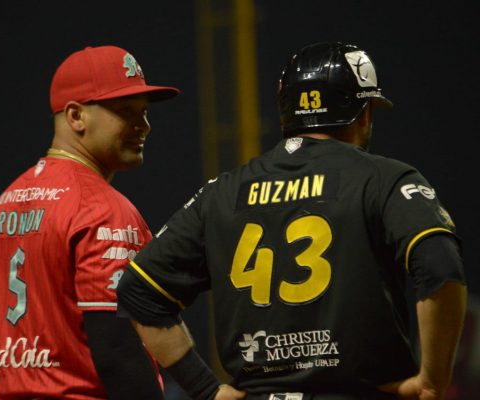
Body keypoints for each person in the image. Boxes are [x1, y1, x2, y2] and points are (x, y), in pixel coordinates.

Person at [116, 41, 468, 400]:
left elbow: (138, 291)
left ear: (286, 112)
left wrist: (206, 390)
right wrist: (431, 380)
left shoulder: (221, 192)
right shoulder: (385, 179)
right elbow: (440, 266)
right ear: (363, 114)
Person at [0, 45, 180, 399]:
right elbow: (118, 350)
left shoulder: (0, 208)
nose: (143, 126)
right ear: (75, 116)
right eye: (126, 111)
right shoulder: (102, 209)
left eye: (144, 112)